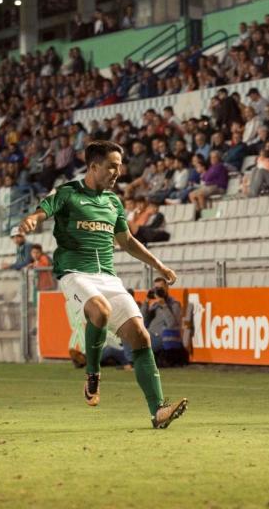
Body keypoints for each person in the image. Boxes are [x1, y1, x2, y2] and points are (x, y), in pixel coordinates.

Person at [18, 141, 188, 429]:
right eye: (112, 166)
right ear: (94, 166)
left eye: (119, 166)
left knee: (140, 336)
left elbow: (127, 242)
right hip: (75, 274)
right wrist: (33, 220)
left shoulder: (113, 202)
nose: (117, 172)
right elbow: (42, 211)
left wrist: (158, 265)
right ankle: (93, 373)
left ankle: (157, 411)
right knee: (100, 311)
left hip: (108, 277)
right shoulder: (68, 192)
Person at [141, 277, 184, 367]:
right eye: (156, 288)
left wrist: (164, 305)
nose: (158, 290)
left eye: (160, 288)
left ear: (167, 288)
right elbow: (144, 319)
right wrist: (146, 301)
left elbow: (173, 325)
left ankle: (130, 362)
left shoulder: (174, 304)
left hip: (162, 337)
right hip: (150, 334)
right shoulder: (155, 305)